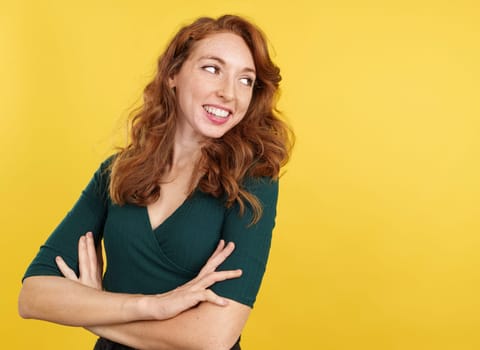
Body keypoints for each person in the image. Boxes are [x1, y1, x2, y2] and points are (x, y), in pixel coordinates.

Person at [18, 14, 293, 350]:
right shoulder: (117, 173)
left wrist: (92, 314)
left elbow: (212, 338)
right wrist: (150, 306)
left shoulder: (252, 182)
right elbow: (33, 295)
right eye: (212, 69)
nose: (229, 94)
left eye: (246, 81)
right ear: (173, 74)